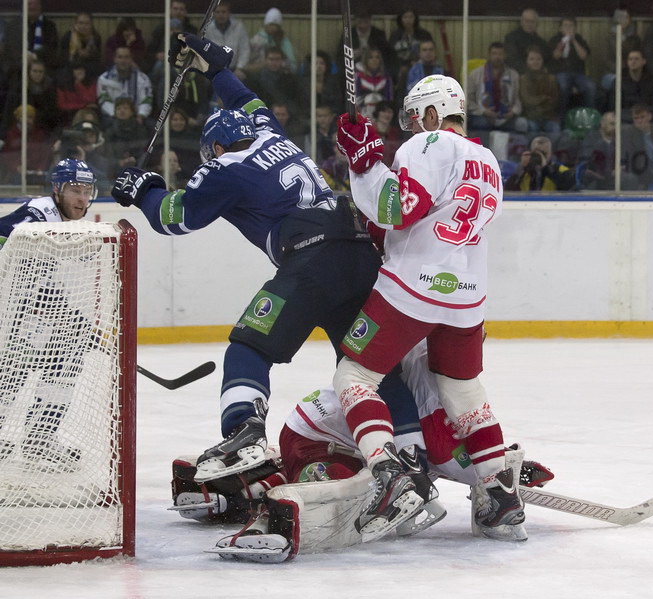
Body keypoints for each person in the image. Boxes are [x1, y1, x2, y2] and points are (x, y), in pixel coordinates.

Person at [110, 34, 414, 490]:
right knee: (368, 369)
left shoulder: (224, 168)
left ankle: (243, 433)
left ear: (214, 148)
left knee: (248, 348)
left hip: (313, 262)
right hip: (361, 257)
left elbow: (176, 219)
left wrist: (144, 189)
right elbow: (246, 99)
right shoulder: (271, 132)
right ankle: (410, 452)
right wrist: (216, 71)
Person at [332, 74, 526, 543]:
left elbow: (398, 209)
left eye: (416, 117)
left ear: (434, 114)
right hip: (467, 295)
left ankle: (390, 475)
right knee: (463, 390)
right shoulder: (488, 160)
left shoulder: (428, 144)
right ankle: (499, 493)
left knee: (354, 376)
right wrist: (372, 164)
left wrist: (364, 165)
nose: (413, 127)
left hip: (414, 286)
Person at [170, 340, 556, 561]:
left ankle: (250, 482)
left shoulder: (431, 371)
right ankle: (267, 506)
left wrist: (499, 467)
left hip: (334, 433)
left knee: (388, 476)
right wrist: (500, 475)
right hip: (313, 438)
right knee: (364, 491)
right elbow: (450, 457)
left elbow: (453, 454)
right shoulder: (443, 400)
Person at [0, 159, 99, 470]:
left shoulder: (60, 219)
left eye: (87, 191)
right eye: (74, 190)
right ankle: (38, 441)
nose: (81, 199)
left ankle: (39, 440)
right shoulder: (41, 212)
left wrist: (66, 312)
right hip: (13, 313)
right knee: (11, 373)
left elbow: (40, 274)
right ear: (57, 190)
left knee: (64, 361)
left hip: (25, 310)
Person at [466, 41, 526, 136]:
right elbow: (469, 100)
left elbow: (518, 99)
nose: (497, 57)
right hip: (483, 116)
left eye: (500, 54)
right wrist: (483, 111)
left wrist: (513, 112)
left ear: (505, 56)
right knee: (481, 123)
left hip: (507, 117)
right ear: (489, 55)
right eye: (494, 54)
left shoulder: (513, 75)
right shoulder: (475, 74)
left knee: (522, 124)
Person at [547, 17, 596, 113]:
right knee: (563, 87)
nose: (568, 28)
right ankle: (562, 120)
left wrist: (573, 41)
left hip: (578, 74)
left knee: (591, 86)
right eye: (565, 26)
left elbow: (583, 56)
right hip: (560, 73)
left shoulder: (579, 39)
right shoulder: (554, 39)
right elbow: (556, 56)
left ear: (575, 28)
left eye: (571, 26)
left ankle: (589, 118)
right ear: (560, 28)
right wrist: (564, 42)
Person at [97, 46, 153, 126]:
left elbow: (146, 101)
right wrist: (119, 115)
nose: (123, 61)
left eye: (126, 57)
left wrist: (141, 115)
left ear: (131, 59)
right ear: (115, 59)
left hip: (137, 116)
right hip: (113, 117)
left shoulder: (143, 79)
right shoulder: (104, 79)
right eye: (120, 57)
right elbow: (105, 102)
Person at [505, 135, 576, 192]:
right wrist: (520, 168)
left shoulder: (560, 170)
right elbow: (508, 191)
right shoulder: (524, 171)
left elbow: (568, 188)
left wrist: (545, 168)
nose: (540, 156)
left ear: (550, 154)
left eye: (543, 154)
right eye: (536, 153)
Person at [519, 45, 560, 135]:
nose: (535, 62)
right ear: (527, 61)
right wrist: (543, 98)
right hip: (530, 116)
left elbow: (554, 100)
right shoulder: (523, 79)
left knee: (555, 128)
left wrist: (542, 105)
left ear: (542, 61)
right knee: (532, 127)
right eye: (532, 59)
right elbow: (526, 100)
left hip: (549, 116)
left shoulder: (551, 79)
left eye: (538, 59)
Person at [206, 0, 250, 82]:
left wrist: (240, 68)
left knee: (243, 80)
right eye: (217, 12)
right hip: (215, 69)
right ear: (213, 14)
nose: (220, 15)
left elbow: (245, 50)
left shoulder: (239, 27)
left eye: (223, 12)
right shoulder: (208, 29)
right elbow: (205, 51)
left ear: (229, 13)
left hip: (235, 68)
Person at [247, 7, 296, 75]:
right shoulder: (256, 40)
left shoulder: (284, 41)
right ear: (265, 25)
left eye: (276, 25)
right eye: (271, 24)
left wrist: (279, 64)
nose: (273, 27)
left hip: (280, 74)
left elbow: (293, 65)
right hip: (259, 74)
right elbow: (248, 63)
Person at [578, 111, 617, 190]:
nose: (615, 127)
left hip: (614, 180)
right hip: (595, 178)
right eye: (612, 124)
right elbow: (587, 161)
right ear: (602, 124)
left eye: (617, 124)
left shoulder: (619, 141)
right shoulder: (591, 139)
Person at [58, 12, 103, 79]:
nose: (83, 26)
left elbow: (97, 57)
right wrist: (77, 54)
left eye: (87, 23)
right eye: (81, 23)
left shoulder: (95, 37)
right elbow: (63, 57)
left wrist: (88, 55)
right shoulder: (68, 36)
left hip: (89, 67)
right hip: (71, 66)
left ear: (91, 24)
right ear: (76, 24)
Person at [504, 8, 550, 73]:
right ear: (521, 22)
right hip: (517, 73)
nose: (529, 24)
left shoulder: (541, 42)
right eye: (527, 21)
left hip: (538, 74)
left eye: (532, 22)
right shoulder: (511, 37)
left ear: (537, 24)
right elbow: (512, 60)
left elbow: (547, 58)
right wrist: (528, 71)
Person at [354, 47, 394, 120]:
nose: (374, 60)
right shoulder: (358, 77)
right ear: (365, 60)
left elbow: (389, 100)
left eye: (377, 57)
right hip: (363, 115)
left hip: (382, 116)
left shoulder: (386, 77)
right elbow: (356, 100)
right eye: (370, 57)